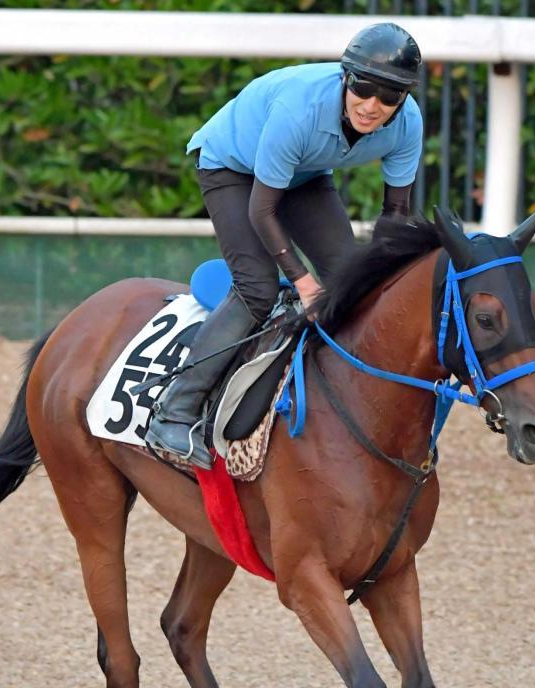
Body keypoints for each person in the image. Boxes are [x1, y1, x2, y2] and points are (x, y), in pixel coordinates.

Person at [146, 22, 423, 468]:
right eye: (364, 88)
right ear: (345, 78)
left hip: (304, 176)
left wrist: (379, 278)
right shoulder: (300, 110)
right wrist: (302, 280)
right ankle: (174, 412)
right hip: (233, 168)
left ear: (404, 98)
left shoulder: (408, 125)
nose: (372, 106)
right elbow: (262, 211)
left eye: (389, 96)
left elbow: (395, 216)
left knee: (352, 280)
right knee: (257, 287)